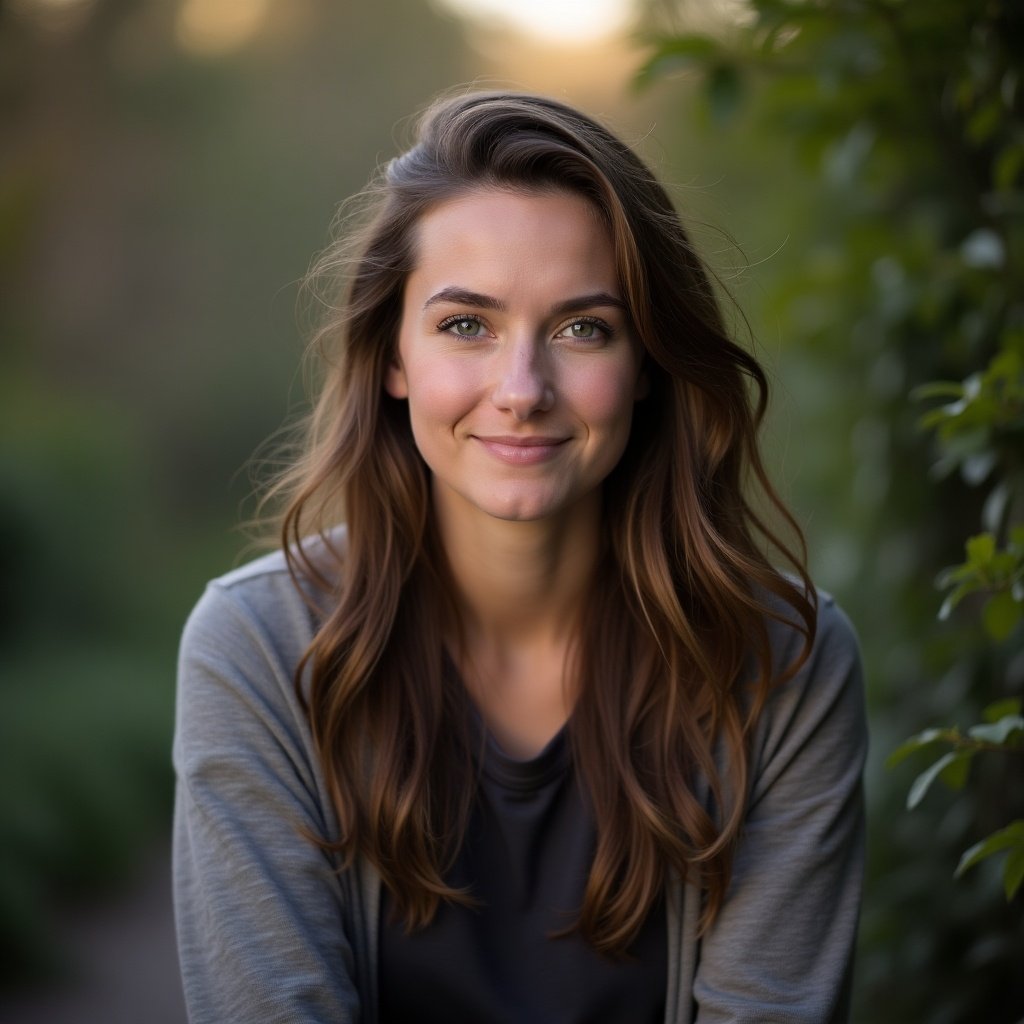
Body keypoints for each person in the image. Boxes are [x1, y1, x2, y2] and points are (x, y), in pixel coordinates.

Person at [172, 91, 866, 1023]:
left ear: (649, 362)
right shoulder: (260, 648)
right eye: (467, 326)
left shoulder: (782, 661)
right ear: (393, 357)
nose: (523, 389)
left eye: (585, 328)